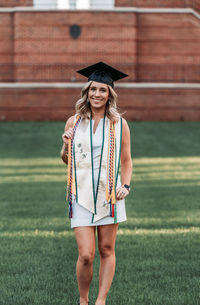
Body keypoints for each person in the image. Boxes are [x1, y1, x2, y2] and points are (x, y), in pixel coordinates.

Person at [60, 62, 132, 305]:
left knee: (106, 250)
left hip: (110, 194)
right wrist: (65, 144)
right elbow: (65, 160)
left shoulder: (119, 124)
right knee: (86, 255)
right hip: (80, 193)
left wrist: (127, 185)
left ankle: (100, 301)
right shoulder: (74, 122)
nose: (97, 94)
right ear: (86, 92)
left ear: (109, 94)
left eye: (102, 90)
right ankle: (83, 300)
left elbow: (126, 160)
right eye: (93, 89)